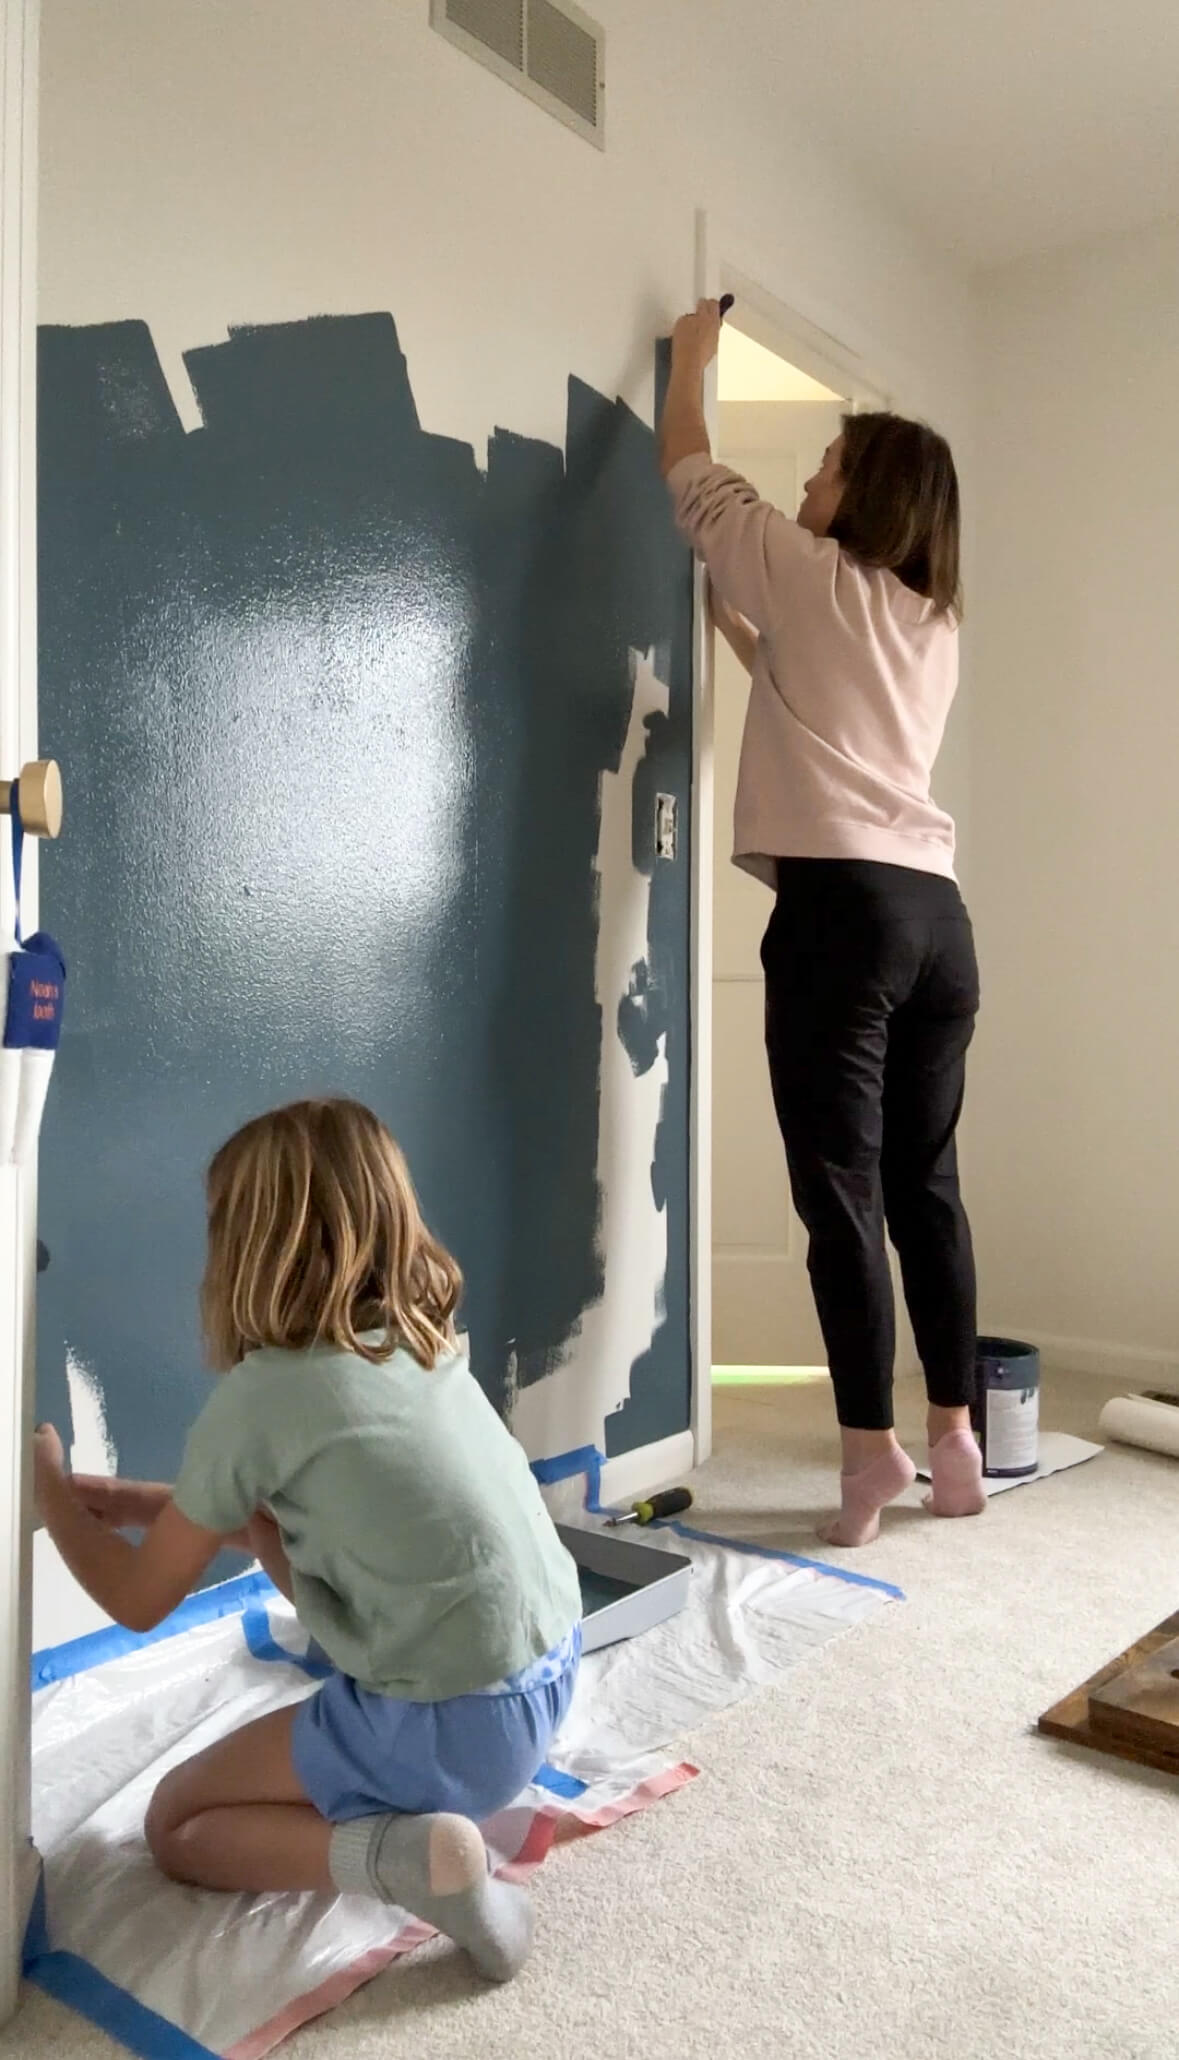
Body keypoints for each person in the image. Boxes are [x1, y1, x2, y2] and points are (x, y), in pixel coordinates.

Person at [33, 1097, 583, 1982]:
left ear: (245, 1245)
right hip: (549, 1677)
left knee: (176, 1825)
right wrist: (131, 1504)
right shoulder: (418, 1341)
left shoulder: (262, 1398)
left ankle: (410, 1861)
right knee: (271, 1517)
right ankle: (429, 1809)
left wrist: (50, 1494)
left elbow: (137, 1605)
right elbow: (262, 1513)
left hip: (452, 1727)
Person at [660, 299, 984, 1548]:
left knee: (839, 1191)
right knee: (926, 1188)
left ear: (866, 492)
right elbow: (835, 718)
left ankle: (866, 1459)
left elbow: (689, 466)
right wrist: (748, 642)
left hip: (841, 916)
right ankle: (954, 1443)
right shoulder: (931, 622)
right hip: (937, 918)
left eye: (828, 463)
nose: (807, 475)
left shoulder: (803, 567)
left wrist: (692, 358)